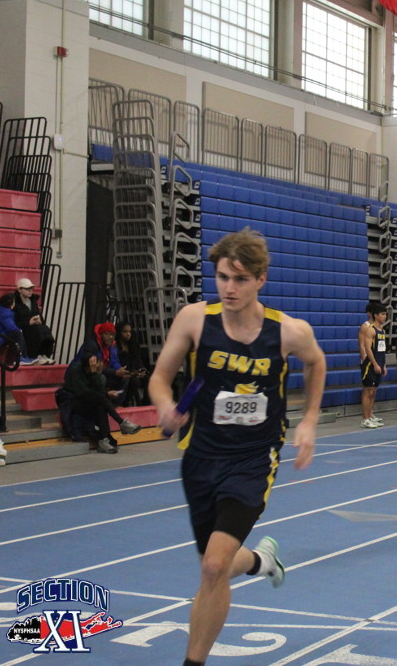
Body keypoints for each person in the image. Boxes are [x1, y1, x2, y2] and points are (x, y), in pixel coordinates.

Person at [148, 229, 327, 666]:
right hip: (201, 457)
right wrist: (166, 406)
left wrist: (309, 420)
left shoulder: (288, 331)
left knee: (213, 567)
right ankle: (260, 561)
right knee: (215, 563)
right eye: (223, 277)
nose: (229, 288)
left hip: (253, 459)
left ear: (261, 280)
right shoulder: (194, 320)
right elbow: (159, 378)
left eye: (241, 279)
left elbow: (316, 362)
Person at [58, 351, 142, 453]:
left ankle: (104, 441)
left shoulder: (97, 374)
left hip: (90, 400)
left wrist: (95, 374)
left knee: (101, 406)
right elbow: (82, 393)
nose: (98, 366)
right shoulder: (75, 370)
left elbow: (99, 390)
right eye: (94, 364)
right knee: (100, 398)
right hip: (73, 402)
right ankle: (121, 423)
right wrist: (95, 376)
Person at [77, 322, 132, 405]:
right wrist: (115, 372)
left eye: (112, 335)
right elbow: (95, 367)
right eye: (107, 334)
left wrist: (120, 370)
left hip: (102, 372)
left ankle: (116, 405)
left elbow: (114, 361)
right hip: (85, 373)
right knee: (101, 378)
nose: (110, 337)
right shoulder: (92, 345)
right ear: (101, 334)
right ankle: (100, 404)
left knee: (124, 378)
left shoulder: (112, 345)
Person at [359, 303, 388, 428]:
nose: (385, 316)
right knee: (368, 391)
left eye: (385, 314)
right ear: (375, 315)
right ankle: (365, 419)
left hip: (379, 363)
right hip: (370, 364)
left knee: (374, 392)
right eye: (382, 314)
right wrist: (375, 364)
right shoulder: (370, 330)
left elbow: (382, 349)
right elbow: (368, 348)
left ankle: (370, 415)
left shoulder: (382, 330)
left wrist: (383, 365)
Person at [12, 278, 55, 364]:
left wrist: (40, 320)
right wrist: (28, 323)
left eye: (31, 288)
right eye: (27, 289)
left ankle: (44, 355)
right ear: (20, 290)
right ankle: (36, 356)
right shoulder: (15, 303)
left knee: (45, 329)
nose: (30, 291)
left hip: (35, 327)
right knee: (38, 331)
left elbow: (39, 315)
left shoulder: (33, 301)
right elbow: (14, 321)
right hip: (23, 328)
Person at [0, 293, 37, 365]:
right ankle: (20, 358)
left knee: (18, 332)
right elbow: (11, 328)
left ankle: (24, 357)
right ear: (11, 305)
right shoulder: (6, 313)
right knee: (18, 333)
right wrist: (19, 330)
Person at [116, 322, 150, 406]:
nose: (128, 334)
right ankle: (125, 403)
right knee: (135, 382)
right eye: (125, 332)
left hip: (133, 371)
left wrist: (141, 370)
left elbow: (137, 360)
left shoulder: (132, 345)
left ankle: (145, 403)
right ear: (119, 332)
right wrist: (133, 373)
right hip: (123, 371)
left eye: (129, 332)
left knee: (148, 378)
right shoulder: (116, 346)